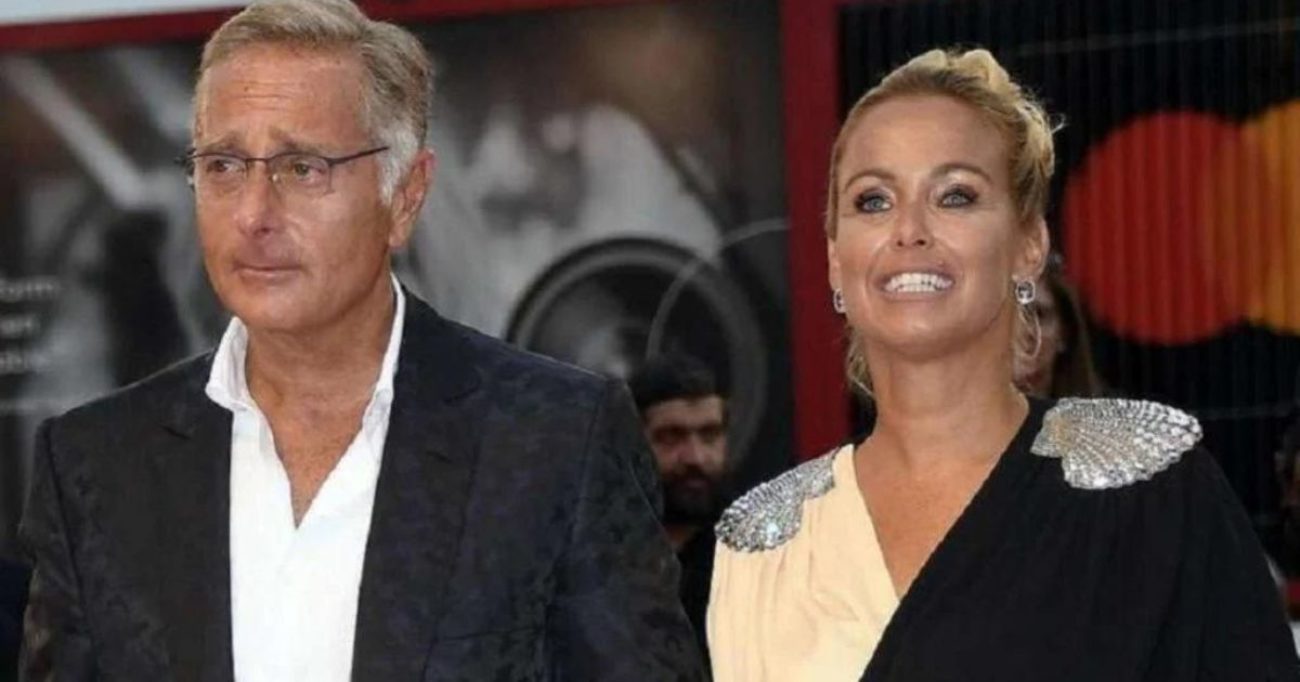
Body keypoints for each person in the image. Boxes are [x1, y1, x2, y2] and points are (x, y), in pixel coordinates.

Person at [18, 1, 704, 680]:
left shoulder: (556, 442)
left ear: (404, 196)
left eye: (302, 168)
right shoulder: (94, 467)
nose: (254, 213)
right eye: (224, 165)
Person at [707, 48, 1299, 681]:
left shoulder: (1148, 486)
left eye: (955, 196)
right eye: (873, 201)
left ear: (1028, 246)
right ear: (834, 258)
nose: (909, 230)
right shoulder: (763, 543)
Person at [629, 353, 730, 667]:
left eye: (709, 435)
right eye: (671, 437)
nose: (695, 457)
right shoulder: (594, 559)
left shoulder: (755, 557)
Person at [1013, 258, 1103, 398]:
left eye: (1040, 315)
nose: (1026, 330)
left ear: (1064, 334)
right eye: (1011, 315)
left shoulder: (1104, 410)